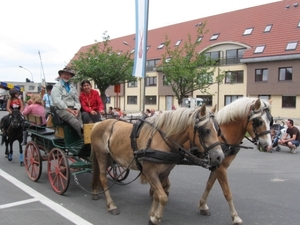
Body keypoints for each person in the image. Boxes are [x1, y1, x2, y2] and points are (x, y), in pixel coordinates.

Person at [51, 67, 83, 137]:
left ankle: (81, 137)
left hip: (73, 108)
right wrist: (69, 110)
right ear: (61, 75)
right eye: (65, 74)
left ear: (70, 76)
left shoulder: (72, 87)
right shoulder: (57, 87)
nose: (66, 76)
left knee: (80, 116)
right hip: (61, 109)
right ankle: (83, 133)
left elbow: (77, 100)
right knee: (71, 117)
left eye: (68, 75)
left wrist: (77, 109)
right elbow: (57, 101)